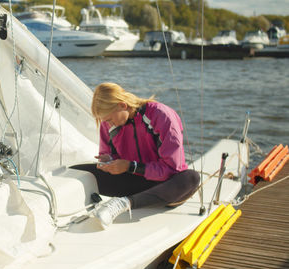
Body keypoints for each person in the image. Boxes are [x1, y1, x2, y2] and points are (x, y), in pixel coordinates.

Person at [71, 82, 199, 228]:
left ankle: (124, 203)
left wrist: (130, 166)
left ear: (122, 105)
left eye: (109, 119)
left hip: (166, 187)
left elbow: (172, 169)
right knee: (77, 171)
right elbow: (108, 153)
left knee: (191, 177)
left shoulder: (161, 116)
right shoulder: (108, 124)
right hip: (135, 181)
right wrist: (109, 162)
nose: (107, 124)